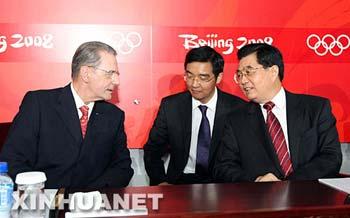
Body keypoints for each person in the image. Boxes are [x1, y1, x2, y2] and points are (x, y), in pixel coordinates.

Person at [0, 41, 133, 188]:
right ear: (86, 73)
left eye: (116, 74)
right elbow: (13, 160)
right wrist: (38, 197)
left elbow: (122, 167)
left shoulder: (114, 116)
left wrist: (91, 196)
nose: (116, 81)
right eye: (110, 73)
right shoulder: (39, 104)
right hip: (44, 203)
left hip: (94, 204)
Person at [213, 43, 342, 182]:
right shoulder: (235, 119)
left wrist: (289, 184)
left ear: (273, 71)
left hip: (311, 196)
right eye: (239, 74)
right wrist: (256, 180)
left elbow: (331, 157)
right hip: (261, 200)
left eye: (249, 72)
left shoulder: (315, 108)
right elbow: (223, 167)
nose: (243, 80)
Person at [144, 46, 245, 185]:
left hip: (223, 184)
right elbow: (153, 150)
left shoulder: (238, 108)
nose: (194, 84)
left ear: (219, 77)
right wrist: (161, 182)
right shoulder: (171, 106)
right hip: (181, 181)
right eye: (189, 76)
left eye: (203, 78)